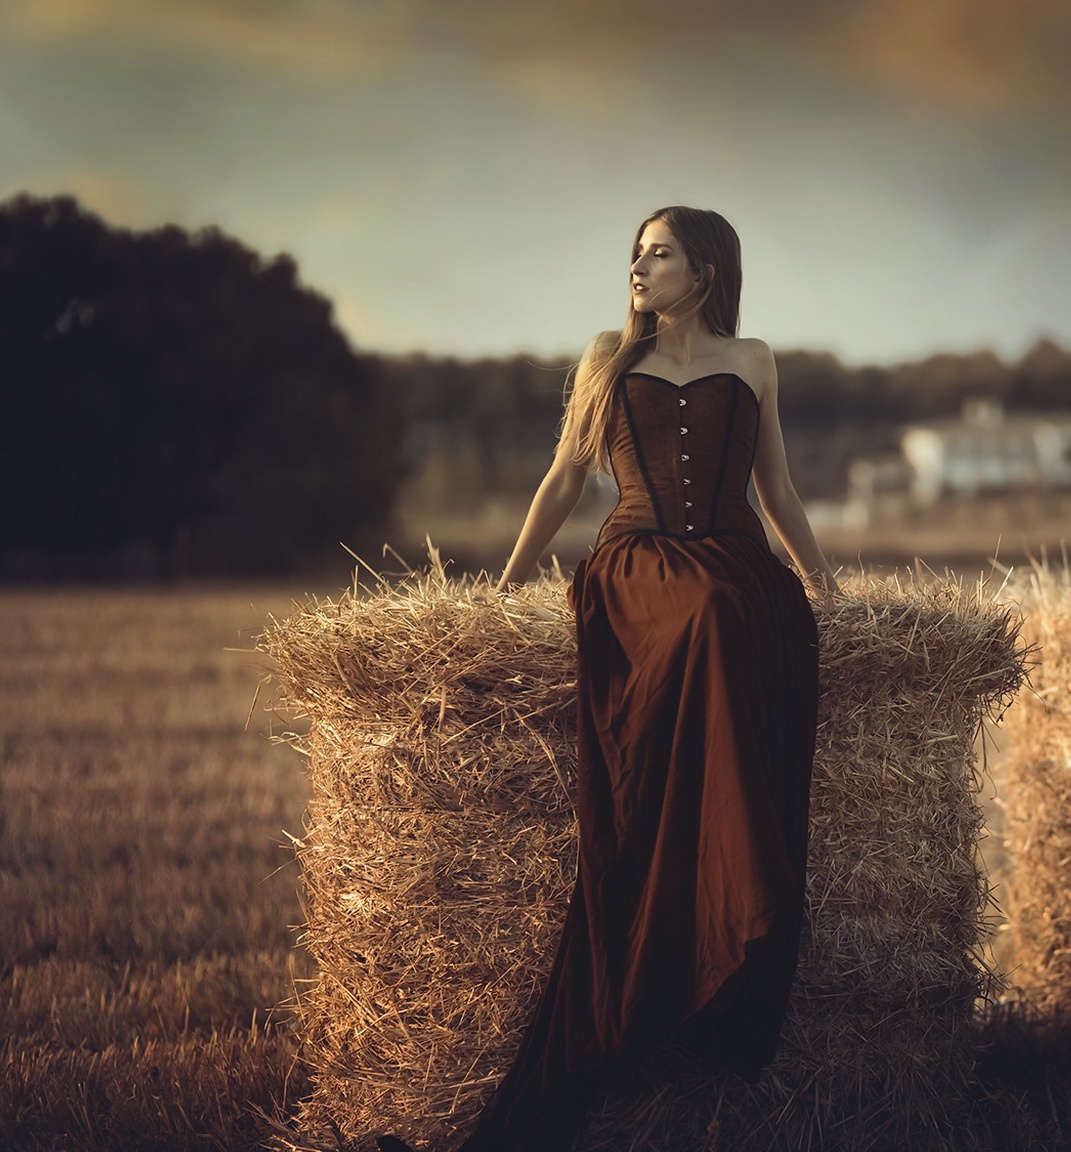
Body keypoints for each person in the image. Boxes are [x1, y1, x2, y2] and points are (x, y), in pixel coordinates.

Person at [379, 206, 835, 1152]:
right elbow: (561, 480)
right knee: (706, 611)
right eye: (634, 253)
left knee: (749, 608)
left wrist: (829, 589)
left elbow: (775, 489)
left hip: (734, 553)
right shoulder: (604, 360)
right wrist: (501, 592)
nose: (638, 266)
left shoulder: (754, 361)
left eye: (658, 254)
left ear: (704, 270)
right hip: (635, 564)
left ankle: (735, 884)